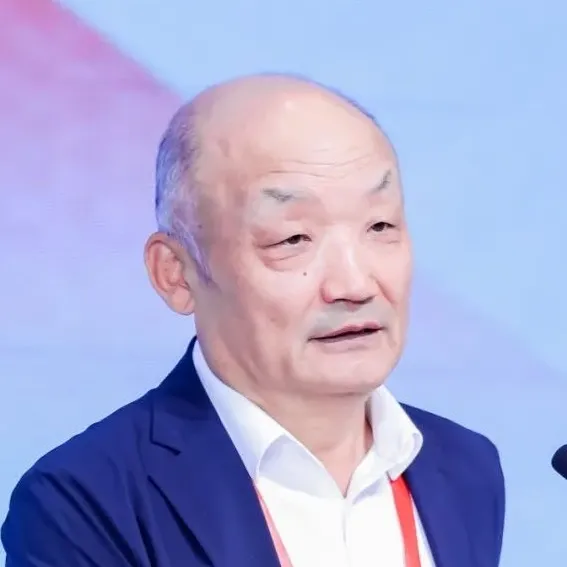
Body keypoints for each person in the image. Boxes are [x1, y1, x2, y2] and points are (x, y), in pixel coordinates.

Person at [1, 74, 505, 567]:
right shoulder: (85, 506)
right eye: (293, 239)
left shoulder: (465, 469)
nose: (355, 284)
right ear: (176, 274)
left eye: (380, 225)